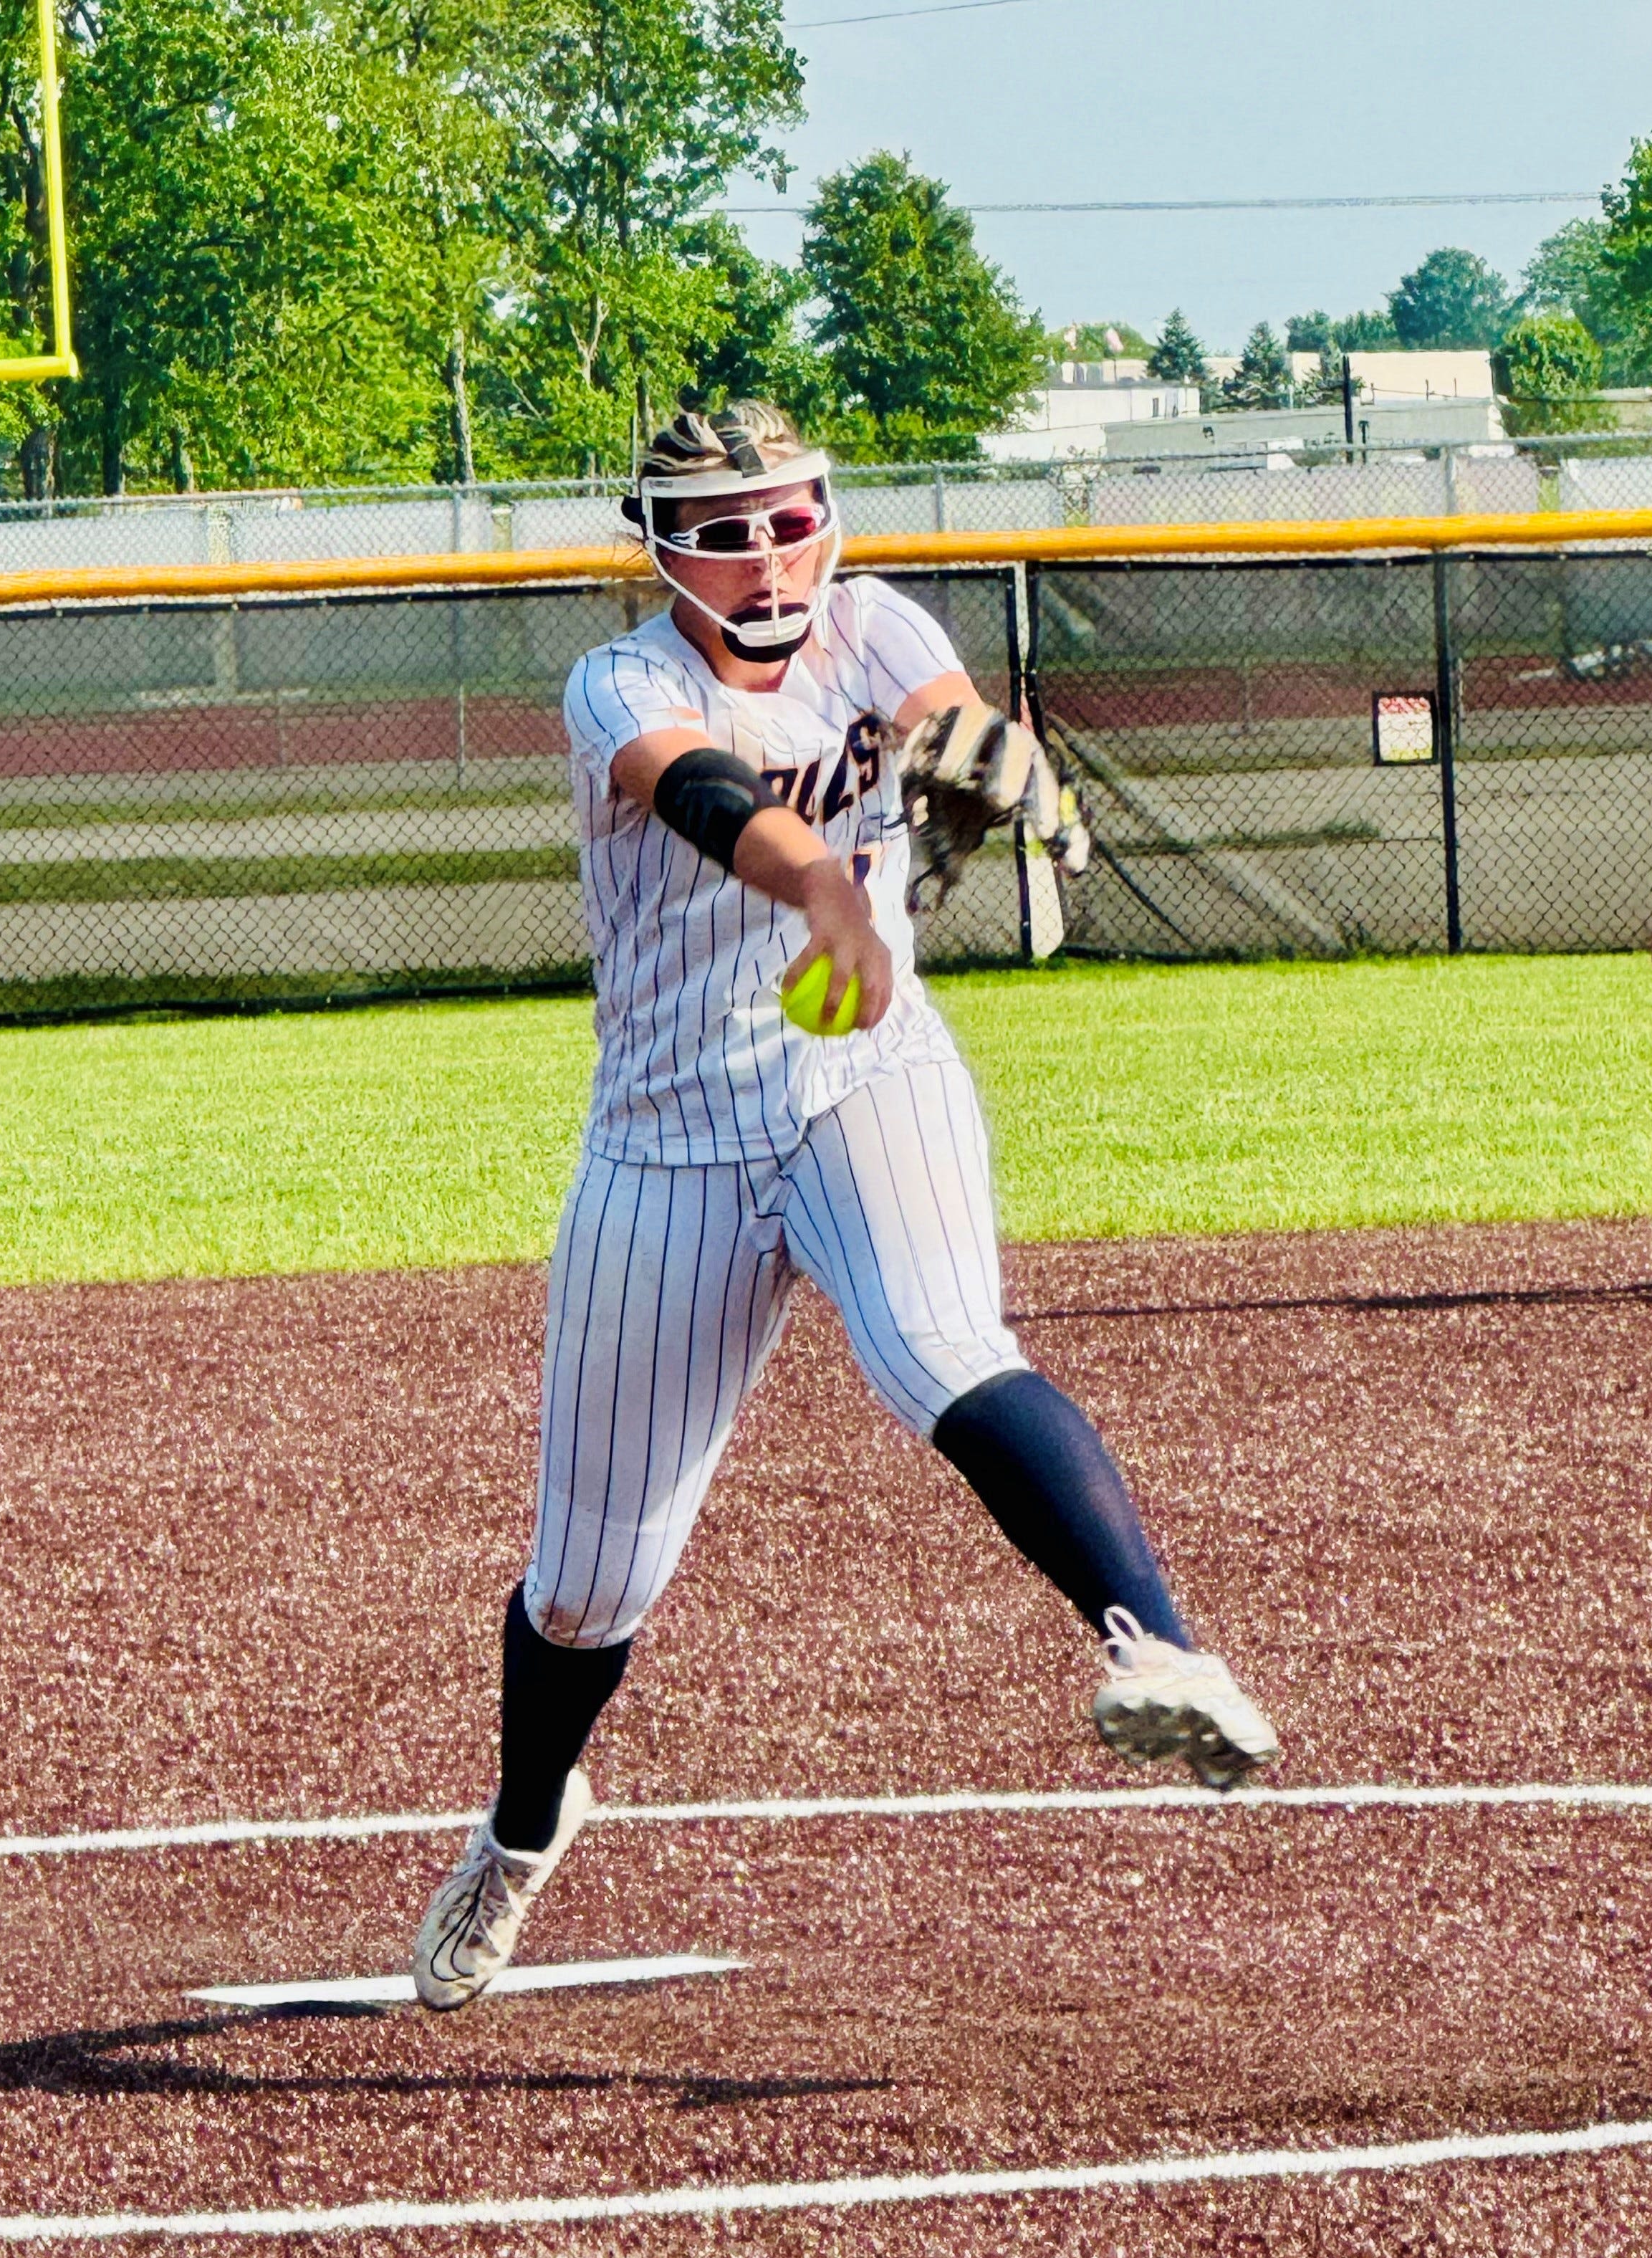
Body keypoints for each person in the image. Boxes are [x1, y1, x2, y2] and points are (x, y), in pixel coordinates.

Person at [412, 402, 1278, 2011]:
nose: (766, 552)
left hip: (859, 1080)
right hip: (664, 1140)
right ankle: (524, 1829)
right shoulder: (623, 681)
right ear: (657, 542)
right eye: (724, 526)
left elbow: (938, 710)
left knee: (939, 1341)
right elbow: (697, 794)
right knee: (591, 1577)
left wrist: (984, 759)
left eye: (791, 514)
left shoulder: (874, 621)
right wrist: (823, 880)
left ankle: (1153, 1646)